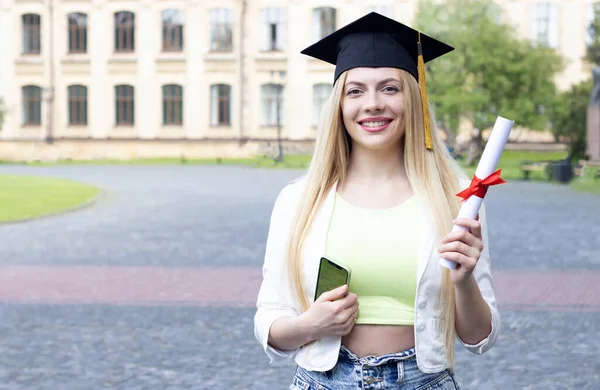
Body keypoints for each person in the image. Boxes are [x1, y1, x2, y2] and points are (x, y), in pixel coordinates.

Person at [254, 12, 500, 389]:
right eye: (355, 91)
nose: (372, 104)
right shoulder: (299, 201)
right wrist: (310, 325)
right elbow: (269, 322)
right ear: (339, 105)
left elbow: (479, 337)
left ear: (413, 99)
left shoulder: (457, 197)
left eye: (389, 88)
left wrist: (464, 281)